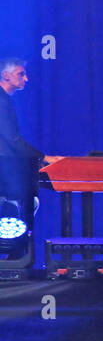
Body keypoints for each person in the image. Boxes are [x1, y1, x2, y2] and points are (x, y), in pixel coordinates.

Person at [0, 58, 43, 220]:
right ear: (6, 75)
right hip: (3, 168)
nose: (26, 78)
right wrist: (43, 157)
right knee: (21, 204)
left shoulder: (5, 100)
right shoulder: (1, 101)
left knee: (27, 202)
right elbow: (12, 140)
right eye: (21, 74)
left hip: (6, 167)